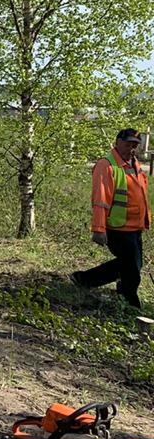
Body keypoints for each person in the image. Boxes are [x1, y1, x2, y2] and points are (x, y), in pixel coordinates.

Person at [71, 128, 148, 309]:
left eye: (135, 145)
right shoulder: (107, 165)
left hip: (134, 227)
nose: (131, 148)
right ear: (117, 142)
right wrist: (98, 229)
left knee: (132, 264)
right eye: (128, 144)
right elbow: (100, 200)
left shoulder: (134, 164)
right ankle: (130, 305)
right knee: (132, 270)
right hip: (117, 227)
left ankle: (84, 279)